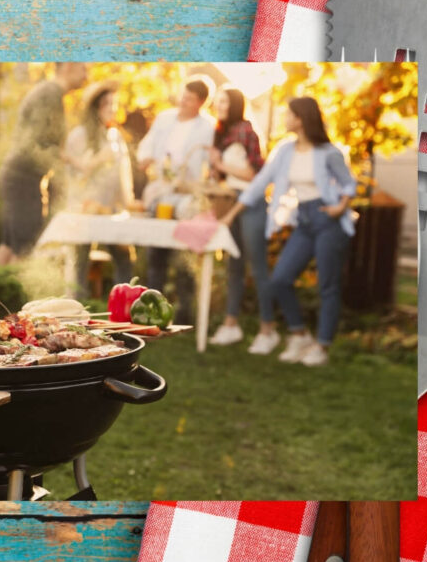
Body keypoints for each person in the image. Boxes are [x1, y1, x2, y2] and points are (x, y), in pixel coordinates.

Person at [219, 97, 357, 366]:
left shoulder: (328, 152)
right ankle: (299, 334)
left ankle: (322, 346)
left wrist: (340, 207)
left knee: (327, 285)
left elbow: (348, 184)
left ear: (301, 119)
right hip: (304, 220)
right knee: (280, 279)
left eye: (288, 114)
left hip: (328, 221)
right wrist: (232, 213)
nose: (284, 118)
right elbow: (260, 182)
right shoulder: (285, 150)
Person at [136, 76, 216, 324]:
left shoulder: (208, 127)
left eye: (190, 99)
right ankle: (150, 310)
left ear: (201, 103)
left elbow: (211, 163)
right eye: (183, 95)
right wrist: (146, 157)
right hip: (161, 191)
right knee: (157, 253)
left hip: (186, 196)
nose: (184, 101)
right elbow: (147, 144)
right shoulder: (164, 119)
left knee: (183, 253)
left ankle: (184, 312)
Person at [0, 62, 89, 265]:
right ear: (68, 66)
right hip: (24, 178)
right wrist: (75, 163)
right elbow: (38, 142)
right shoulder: (50, 93)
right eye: (83, 68)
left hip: (18, 176)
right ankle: (13, 295)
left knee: (10, 244)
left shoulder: (51, 93)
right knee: (24, 250)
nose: (86, 74)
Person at [206, 86, 278, 353]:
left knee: (257, 267)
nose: (219, 104)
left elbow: (253, 175)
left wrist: (221, 165)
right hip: (229, 202)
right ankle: (231, 325)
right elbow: (225, 177)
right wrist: (215, 167)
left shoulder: (246, 130)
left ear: (235, 104)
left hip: (252, 204)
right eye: (218, 100)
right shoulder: (221, 133)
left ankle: (268, 329)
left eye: (224, 100)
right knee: (233, 267)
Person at [63, 80, 135, 298]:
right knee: (80, 261)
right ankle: (76, 311)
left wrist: (128, 201)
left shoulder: (115, 136)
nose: (112, 109)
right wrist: (97, 160)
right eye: (107, 104)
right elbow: (73, 175)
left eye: (114, 104)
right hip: (85, 209)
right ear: (95, 107)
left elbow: (124, 173)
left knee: (124, 258)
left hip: (110, 210)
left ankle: (125, 306)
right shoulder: (79, 135)